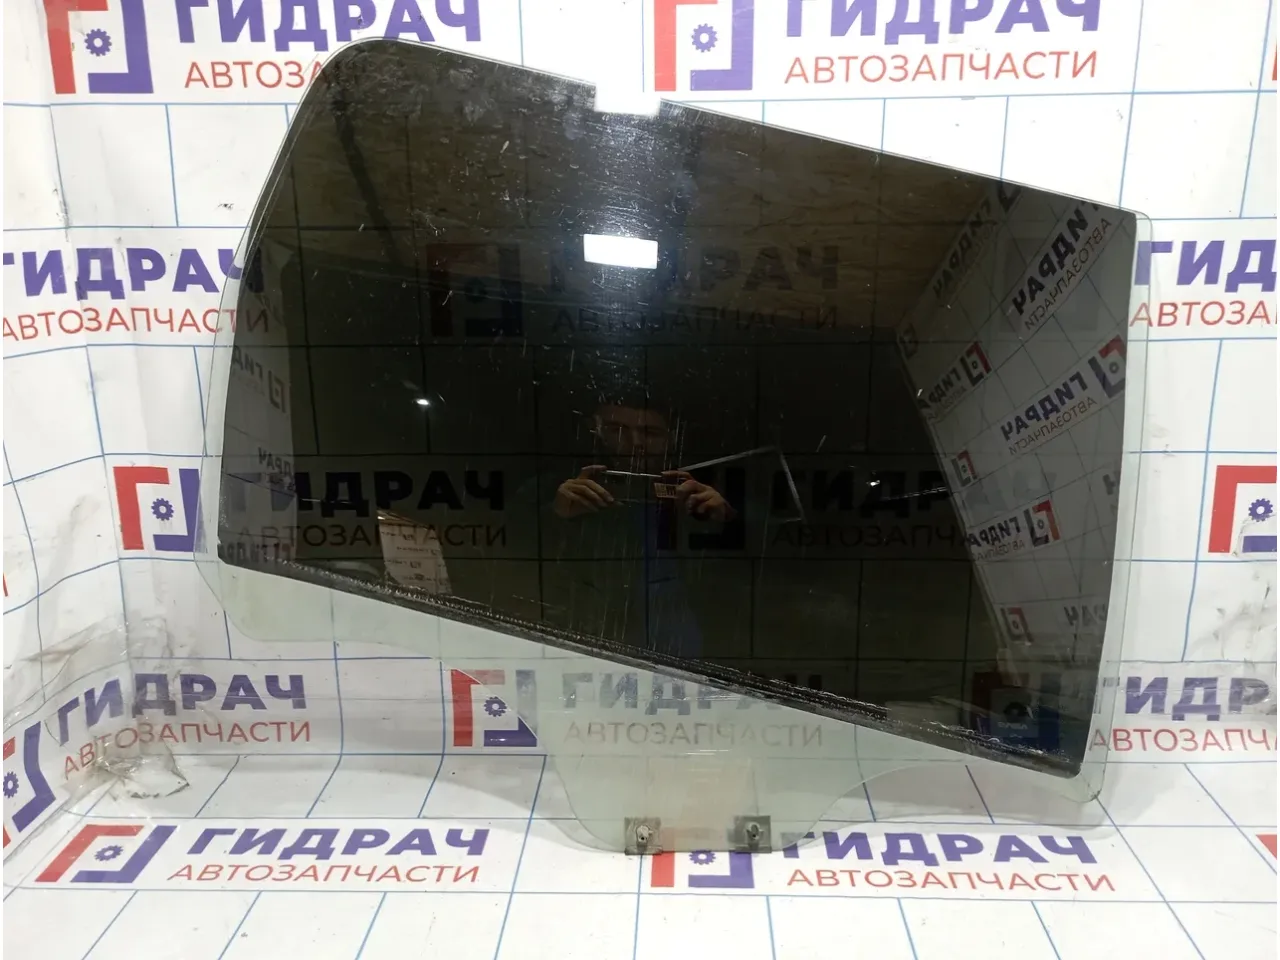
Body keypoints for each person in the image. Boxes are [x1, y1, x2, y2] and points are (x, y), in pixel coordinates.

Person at [545, 398, 736, 659]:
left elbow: (764, 569)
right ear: (594, 431)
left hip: (694, 657)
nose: (635, 443)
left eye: (650, 433)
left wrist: (725, 519)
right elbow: (514, 563)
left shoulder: (706, 493)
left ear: (673, 438)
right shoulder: (556, 490)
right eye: (616, 430)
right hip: (585, 648)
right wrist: (555, 515)